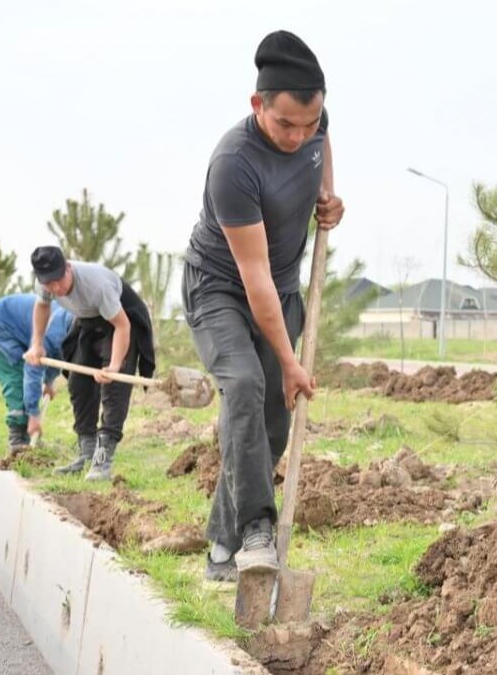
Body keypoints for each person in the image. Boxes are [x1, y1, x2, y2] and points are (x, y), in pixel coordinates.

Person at [182, 30, 344, 582]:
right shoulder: (234, 163)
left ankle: (222, 551)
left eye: (309, 123)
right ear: (258, 105)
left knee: (271, 424)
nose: (299, 136)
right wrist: (290, 360)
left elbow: (323, 147)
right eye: (285, 125)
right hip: (221, 288)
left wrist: (329, 196)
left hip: (283, 287)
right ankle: (256, 528)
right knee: (248, 385)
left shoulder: (315, 125)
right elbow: (254, 279)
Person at [24, 246, 156, 481]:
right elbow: (42, 306)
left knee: (113, 386)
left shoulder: (97, 285)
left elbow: (122, 326)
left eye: (58, 280)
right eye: (48, 284)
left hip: (122, 321)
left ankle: (103, 460)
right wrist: (37, 344)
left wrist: (114, 366)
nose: (55, 288)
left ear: (68, 267)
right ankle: (86, 452)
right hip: (88, 321)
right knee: (78, 383)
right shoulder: (45, 284)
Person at [0, 294, 73, 450]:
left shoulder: (70, 326)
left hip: (16, 327)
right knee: (16, 375)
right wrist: (34, 415)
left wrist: (48, 383)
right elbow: (33, 368)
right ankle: (16, 440)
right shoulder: (54, 332)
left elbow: (55, 358)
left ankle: (27, 439)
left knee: (25, 378)